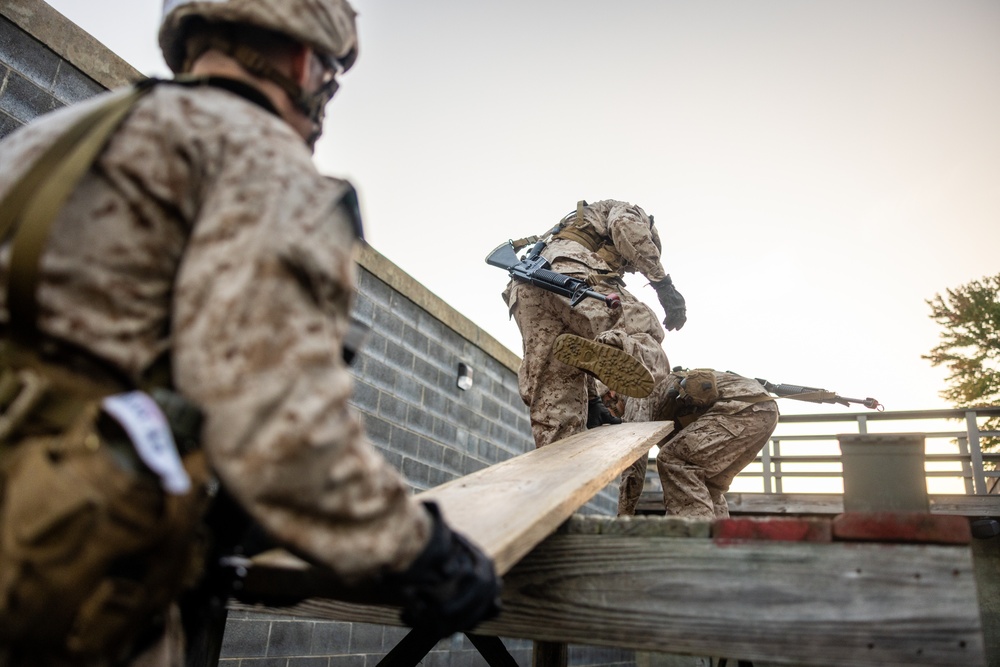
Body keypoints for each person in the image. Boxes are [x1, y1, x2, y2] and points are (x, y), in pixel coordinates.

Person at [0, 1, 498, 664]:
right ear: (303, 61)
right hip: (61, 584)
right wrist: (423, 553)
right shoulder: (261, 159)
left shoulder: (62, 134)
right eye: (330, 76)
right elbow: (280, 430)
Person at [502, 199, 687, 448]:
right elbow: (624, 226)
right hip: (571, 272)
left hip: (526, 288)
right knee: (642, 328)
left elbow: (580, 350)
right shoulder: (629, 212)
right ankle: (619, 346)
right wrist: (664, 285)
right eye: (626, 264)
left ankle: (558, 471)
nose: (624, 270)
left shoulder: (565, 228)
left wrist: (591, 401)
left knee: (553, 395)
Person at [617, 368, 779, 518]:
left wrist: (625, 514)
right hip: (762, 411)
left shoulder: (636, 395)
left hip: (740, 407)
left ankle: (693, 540)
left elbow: (635, 460)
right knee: (707, 486)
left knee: (675, 461)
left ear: (611, 395)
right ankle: (719, 543)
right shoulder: (662, 387)